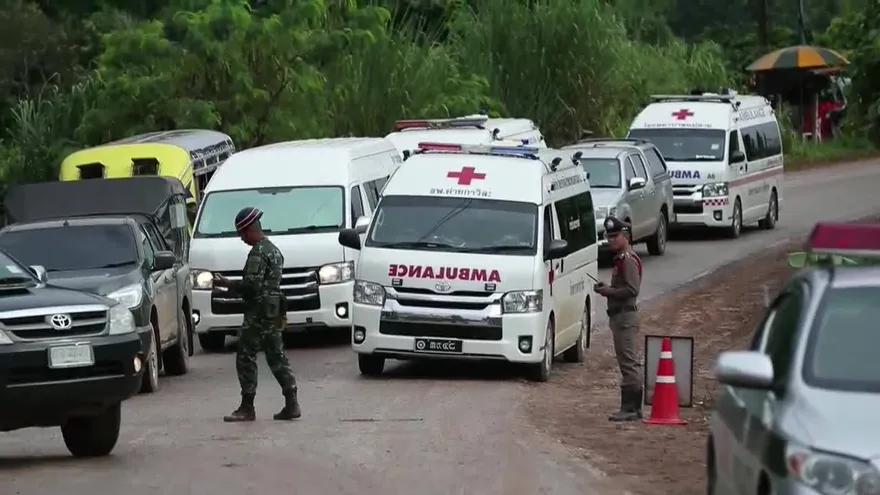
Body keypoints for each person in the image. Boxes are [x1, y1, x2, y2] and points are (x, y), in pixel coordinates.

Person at [214, 206, 301, 422]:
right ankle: (292, 402)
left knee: (245, 356)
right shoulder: (274, 251)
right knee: (276, 355)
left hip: (258, 313)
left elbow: (252, 286)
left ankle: (247, 407)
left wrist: (229, 285)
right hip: (273, 310)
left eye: (243, 234)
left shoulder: (258, 253)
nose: (242, 238)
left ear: (250, 230)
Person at [593, 217, 643, 422]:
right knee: (626, 361)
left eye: (615, 236)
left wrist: (609, 292)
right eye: (609, 237)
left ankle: (631, 407)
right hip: (619, 315)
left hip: (625, 315)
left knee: (629, 362)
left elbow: (632, 289)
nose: (611, 240)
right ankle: (631, 407)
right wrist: (609, 289)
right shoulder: (621, 259)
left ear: (626, 236)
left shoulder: (628, 260)